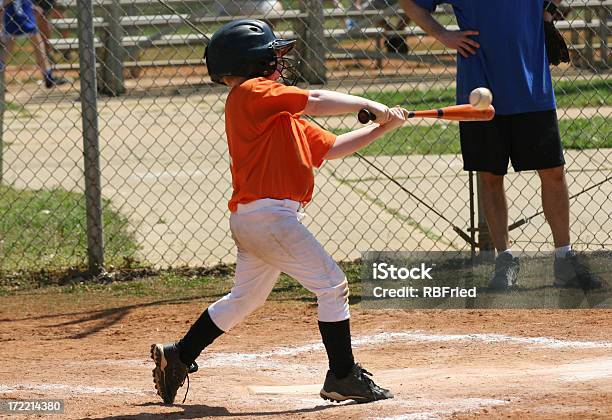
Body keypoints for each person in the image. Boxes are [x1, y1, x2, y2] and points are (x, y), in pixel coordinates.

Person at [151, 19, 408, 405]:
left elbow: (332, 147)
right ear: (253, 63)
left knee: (245, 299)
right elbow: (317, 98)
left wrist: (384, 127)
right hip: (270, 217)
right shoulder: (252, 93)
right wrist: (368, 104)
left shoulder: (278, 116)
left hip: (259, 219)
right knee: (332, 285)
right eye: (272, 57)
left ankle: (179, 355)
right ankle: (342, 375)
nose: (279, 64)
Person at [398, 0, 601, 290]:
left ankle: (564, 258)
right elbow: (410, 3)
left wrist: (546, 14)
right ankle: (504, 260)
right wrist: (444, 35)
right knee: (491, 176)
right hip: (481, 89)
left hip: (532, 86)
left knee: (554, 172)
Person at [0, 0, 67, 88]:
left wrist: (31, 6)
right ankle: (48, 75)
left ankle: (48, 76)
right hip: (18, 13)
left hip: (19, 12)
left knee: (10, 47)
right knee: (38, 44)